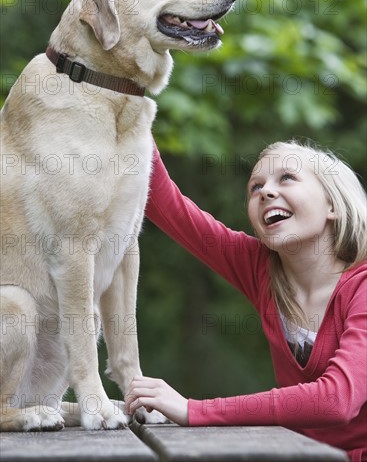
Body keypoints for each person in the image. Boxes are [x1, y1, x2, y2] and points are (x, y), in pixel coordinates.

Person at [125, 139, 367, 461]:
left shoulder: (362, 288)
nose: (265, 192)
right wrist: (128, 101)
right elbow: (163, 202)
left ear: (332, 205)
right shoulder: (260, 268)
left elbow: (336, 400)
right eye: (255, 187)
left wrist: (193, 410)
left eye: (287, 178)